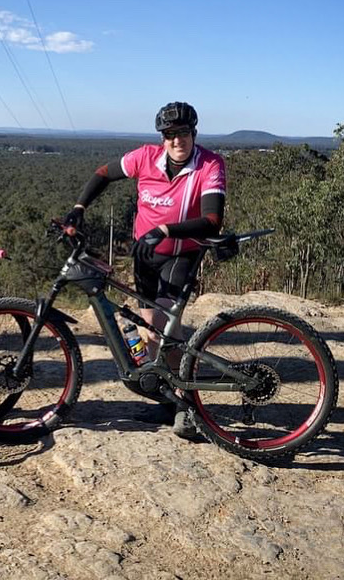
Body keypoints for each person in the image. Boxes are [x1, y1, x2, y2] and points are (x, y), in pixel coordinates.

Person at [63, 102, 226, 438]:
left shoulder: (209, 165)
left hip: (182, 254)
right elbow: (103, 173)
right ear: (162, 138)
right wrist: (79, 207)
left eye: (182, 133)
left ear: (194, 133)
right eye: (169, 134)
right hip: (144, 255)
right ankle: (168, 399)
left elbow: (212, 221)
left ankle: (189, 408)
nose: (176, 140)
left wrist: (166, 230)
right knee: (151, 330)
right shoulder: (144, 157)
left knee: (165, 327)